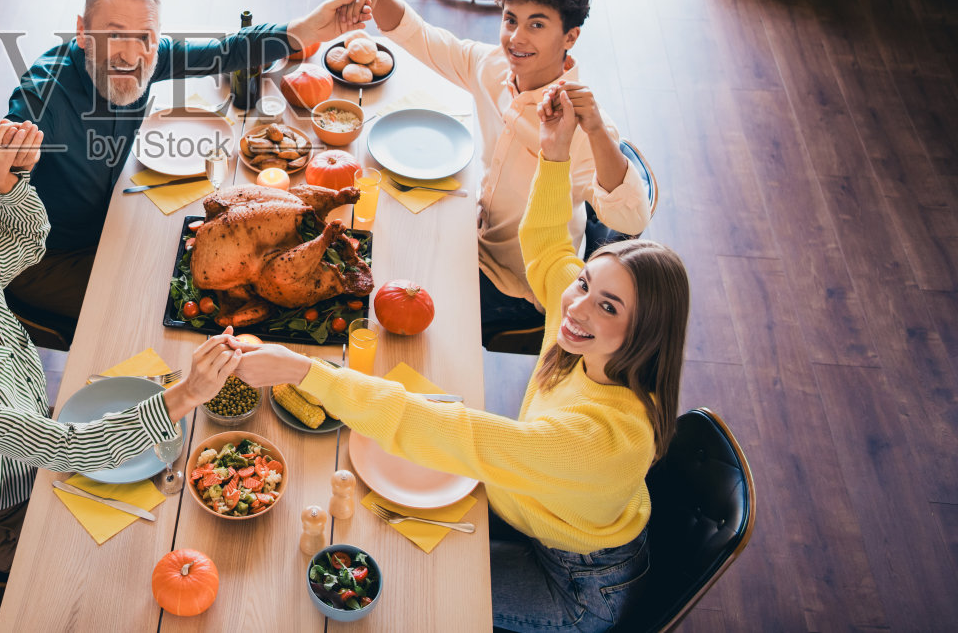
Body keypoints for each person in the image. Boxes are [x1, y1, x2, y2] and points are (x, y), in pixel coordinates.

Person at [232, 86, 689, 632]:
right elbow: (547, 245)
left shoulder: (601, 440)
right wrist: (555, 150)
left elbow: (454, 435)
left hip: (573, 581)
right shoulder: (584, 331)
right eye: (587, 283)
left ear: (645, 331)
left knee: (407, 595)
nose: (575, 304)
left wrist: (303, 370)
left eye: (607, 305)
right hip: (527, 502)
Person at [0, 118, 242, 571]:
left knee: (172, 506)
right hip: (3, 522)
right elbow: (69, 449)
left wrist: (8, 182)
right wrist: (187, 392)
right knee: (126, 564)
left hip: (42, 457)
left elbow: (24, 238)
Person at [0, 0, 357, 322]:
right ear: (83, 32)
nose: (132, 55)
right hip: (42, 256)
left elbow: (229, 50)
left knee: (208, 268)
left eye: (145, 38)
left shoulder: (151, 54)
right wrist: (2, 177)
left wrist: (305, 30)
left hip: (109, 219)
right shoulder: (41, 98)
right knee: (157, 304)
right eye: (114, 33)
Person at [336, 0, 649, 333]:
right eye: (510, 20)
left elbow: (632, 221)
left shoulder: (584, 126)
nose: (516, 38)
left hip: (518, 282)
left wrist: (596, 130)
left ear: (570, 36)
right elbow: (423, 37)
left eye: (537, 24)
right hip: (471, 229)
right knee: (375, 245)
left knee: (389, 311)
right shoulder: (493, 66)